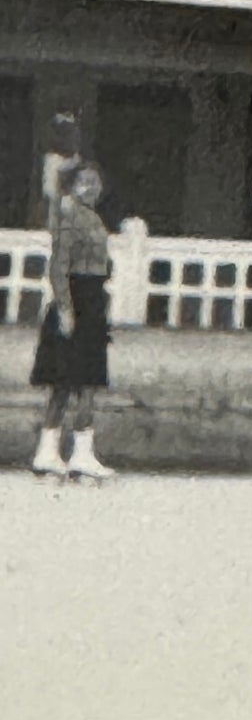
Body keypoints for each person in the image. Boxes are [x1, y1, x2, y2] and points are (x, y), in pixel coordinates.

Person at [31, 162, 115, 482]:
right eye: (84, 182)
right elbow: (58, 267)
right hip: (75, 300)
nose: (91, 187)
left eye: (95, 181)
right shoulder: (69, 217)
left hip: (92, 300)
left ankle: (76, 453)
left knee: (83, 380)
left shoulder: (93, 218)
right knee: (67, 382)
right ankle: (52, 451)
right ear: (72, 186)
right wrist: (66, 308)